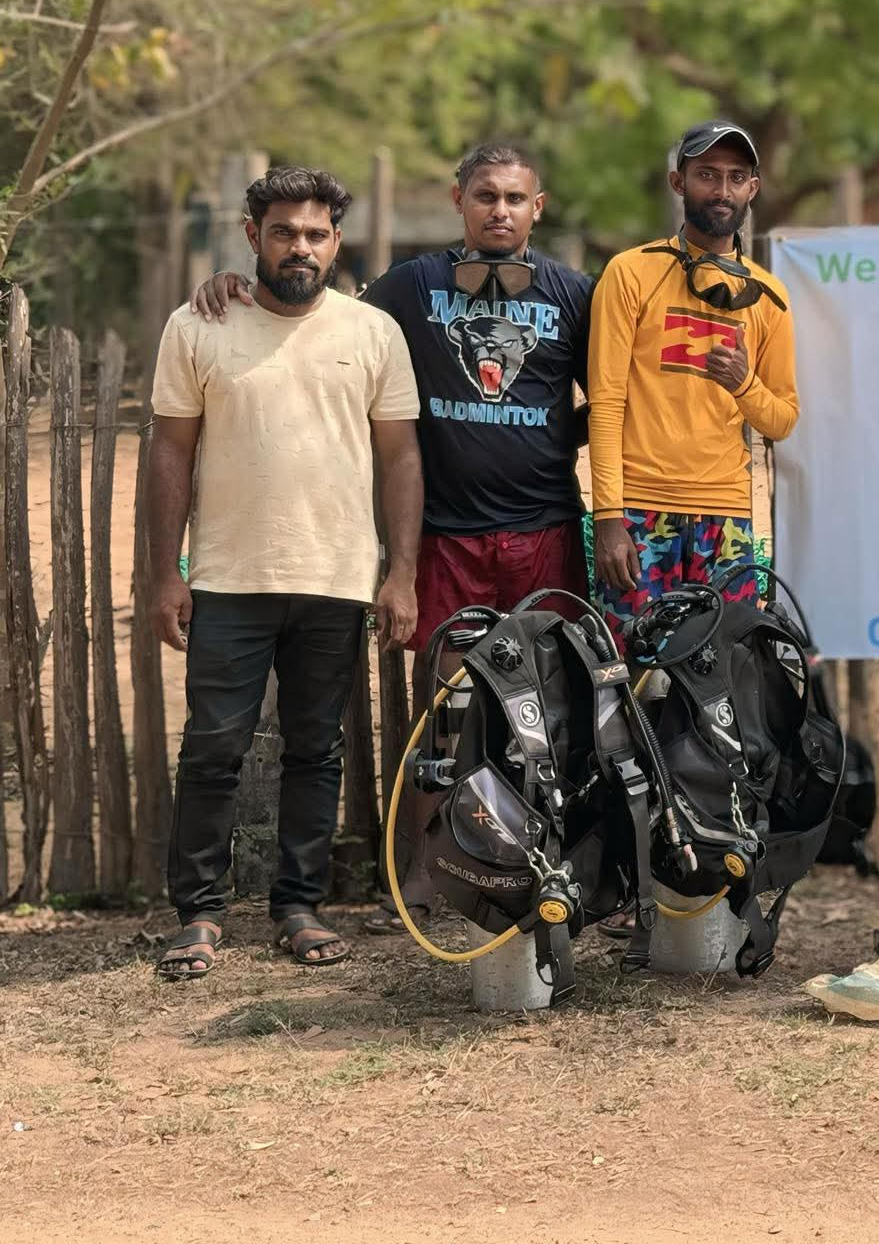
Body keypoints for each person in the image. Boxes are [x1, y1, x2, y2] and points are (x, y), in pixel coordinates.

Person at [191, 141, 596, 930]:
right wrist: (235, 288)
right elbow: (317, 316)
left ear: (538, 207)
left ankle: (563, 868)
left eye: (515, 198)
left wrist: (554, 436)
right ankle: (421, 878)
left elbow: (608, 397)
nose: (500, 210)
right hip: (448, 534)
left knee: (551, 708)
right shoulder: (411, 287)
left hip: (545, 527)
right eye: (485, 195)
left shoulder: (573, 294)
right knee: (442, 714)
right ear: (458, 200)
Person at [148, 166, 423, 979]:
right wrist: (165, 574)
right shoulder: (199, 325)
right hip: (228, 576)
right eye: (283, 233)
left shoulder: (373, 333)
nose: (299, 247)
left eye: (314, 234)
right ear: (253, 237)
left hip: (336, 576)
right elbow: (170, 452)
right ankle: (199, 913)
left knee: (316, 750)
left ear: (336, 242)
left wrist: (401, 572)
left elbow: (401, 457)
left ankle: (298, 906)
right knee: (212, 748)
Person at [588, 120, 799, 647]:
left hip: (726, 517)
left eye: (736, 177)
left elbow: (783, 419)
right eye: (707, 174)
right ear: (678, 182)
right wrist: (609, 517)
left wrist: (744, 384)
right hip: (638, 510)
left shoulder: (769, 297)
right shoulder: (630, 273)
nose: (722, 190)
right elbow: (606, 401)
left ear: (753, 188)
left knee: (722, 669)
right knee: (633, 666)